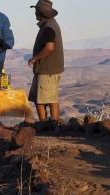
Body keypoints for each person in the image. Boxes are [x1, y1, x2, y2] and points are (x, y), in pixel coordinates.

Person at [28, 0, 64, 129]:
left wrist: (35, 58)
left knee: (48, 99)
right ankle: (47, 125)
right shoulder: (50, 25)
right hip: (47, 69)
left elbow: (49, 47)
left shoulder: (48, 27)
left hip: (47, 69)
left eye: (36, 11)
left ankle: (51, 126)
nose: (35, 13)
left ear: (41, 13)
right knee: (42, 99)